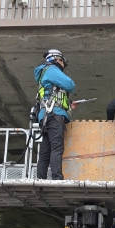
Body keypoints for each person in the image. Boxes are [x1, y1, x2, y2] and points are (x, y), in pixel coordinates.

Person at [34, 49, 77, 180]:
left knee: (45, 152)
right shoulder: (52, 69)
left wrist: (68, 105)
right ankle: (57, 179)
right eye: (62, 61)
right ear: (57, 60)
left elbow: (53, 95)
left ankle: (41, 180)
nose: (63, 65)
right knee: (57, 148)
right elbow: (70, 85)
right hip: (53, 115)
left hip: (46, 115)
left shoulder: (44, 72)